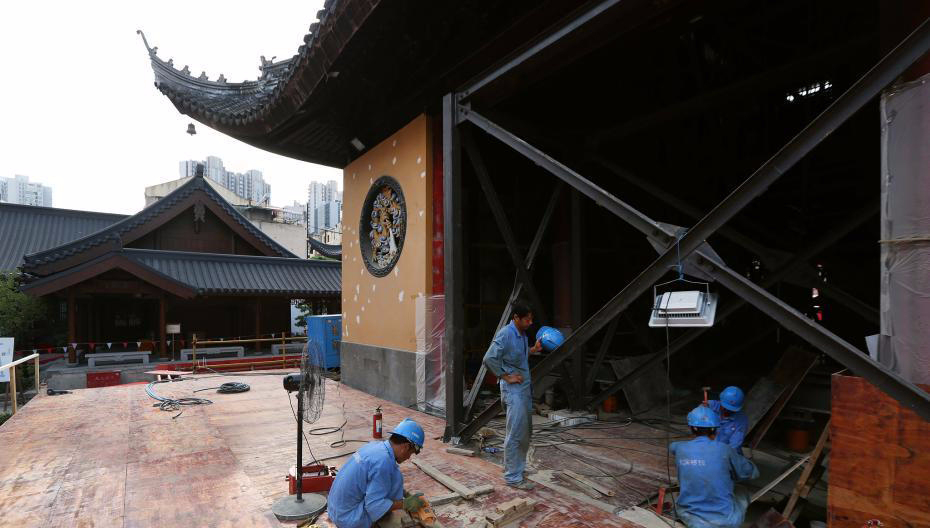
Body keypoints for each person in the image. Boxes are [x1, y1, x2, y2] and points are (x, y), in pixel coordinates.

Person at [482, 300, 543, 490]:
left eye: (531, 320)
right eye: (527, 320)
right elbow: (489, 358)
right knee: (516, 433)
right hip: (513, 391)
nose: (530, 323)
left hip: (524, 390)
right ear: (516, 318)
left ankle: (516, 468)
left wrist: (531, 350)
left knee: (524, 432)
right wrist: (505, 376)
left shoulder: (522, 335)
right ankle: (513, 477)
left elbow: (517, 356)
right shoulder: (506, 334)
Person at [670, 406, 759, 528]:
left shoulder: (680, 448)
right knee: (742, 491)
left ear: (692, 428)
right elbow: (750, 473)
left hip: (689, 516)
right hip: (725, 521)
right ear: (715, 429)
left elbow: (672, 446)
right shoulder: (725, 450)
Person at [328, 418, 427, 528]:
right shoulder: (383, 462)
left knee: (393, 476)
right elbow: (374, 505)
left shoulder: (376, 446)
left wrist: (404, 493)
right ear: (406, 447)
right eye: (411, 453)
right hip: (348, 518)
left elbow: (381, 479)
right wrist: (405, 504)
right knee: (383, 508)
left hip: (336, 510)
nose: (408, 457)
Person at [707, 386, 748, 451]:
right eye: (725, 407)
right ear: (720, 400)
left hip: (725, 452)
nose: (727, 410)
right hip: (706, 447)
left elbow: (735, 445)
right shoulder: (710, 405)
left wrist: (721, 455)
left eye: (731, 409)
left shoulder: (741, 420)